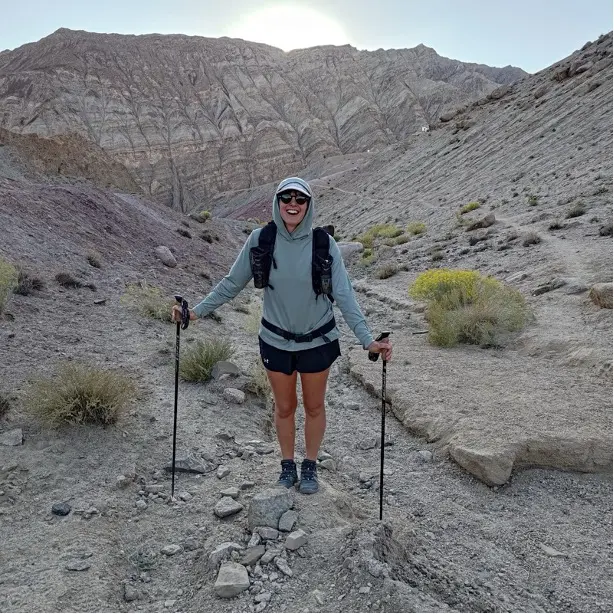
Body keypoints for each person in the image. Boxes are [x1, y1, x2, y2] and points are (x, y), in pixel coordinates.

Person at [172, 176, 392, 494]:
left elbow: (344, 295)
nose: (292, 203)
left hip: (318, 340)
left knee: (315, 407)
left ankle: (310, 466)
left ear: (308, 205)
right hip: (276, 341)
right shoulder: (261, 240)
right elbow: (232, 283)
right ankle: (287, 465)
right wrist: (196, 312)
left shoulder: (323, 244)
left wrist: (367, 339)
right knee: (285, 407)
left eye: (299, 199)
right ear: (277, 202)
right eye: (286, 197)